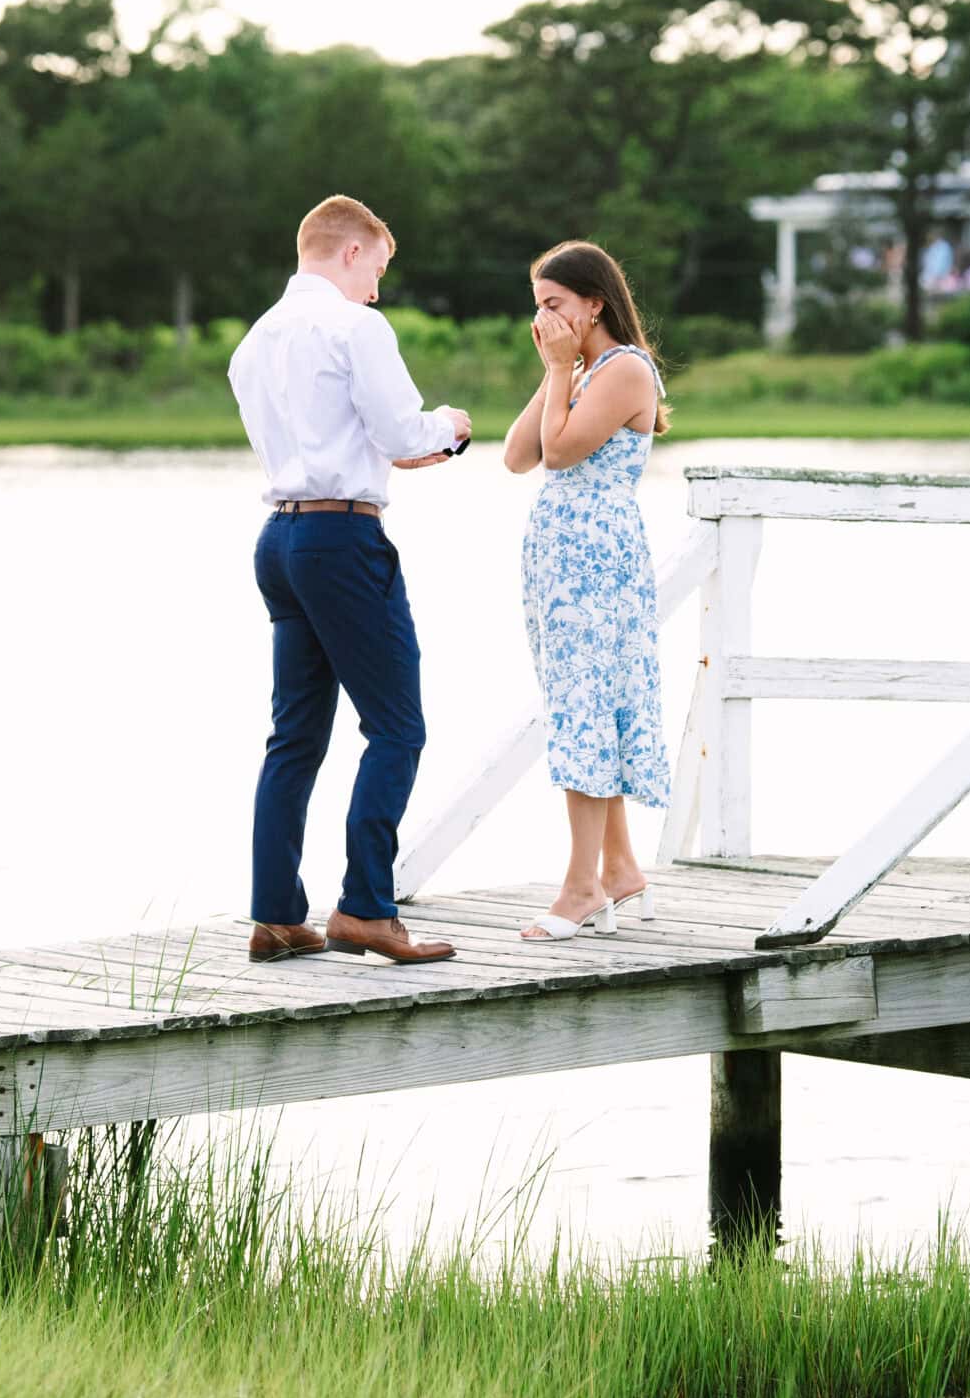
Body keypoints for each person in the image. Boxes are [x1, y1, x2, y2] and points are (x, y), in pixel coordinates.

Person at [226, 195, 470, 967]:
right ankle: (365, 909)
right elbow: (402, 434)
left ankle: (275, 916)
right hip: (341, 538)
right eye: (379, 271)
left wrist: (399, 451)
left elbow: (334, 438)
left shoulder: (255, 341)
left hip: (281, 538)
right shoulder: (355, 325)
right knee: (397, 727)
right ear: (353, 252)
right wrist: (452, 431)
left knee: (293, 737)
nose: (378, 290)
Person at [500, 241, 672, 941]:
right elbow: (519, 457)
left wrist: (561, 370)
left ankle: (581, 887)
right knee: (581, 702)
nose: (543, 319)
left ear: (593, 303)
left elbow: (564, 451)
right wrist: (557, 372)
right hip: (560, 562)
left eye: (554, 305)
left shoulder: (626, 369)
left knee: (587, 709)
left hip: (597, 563)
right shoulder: (580, 370)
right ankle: (621, 868)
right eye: (538, 307)